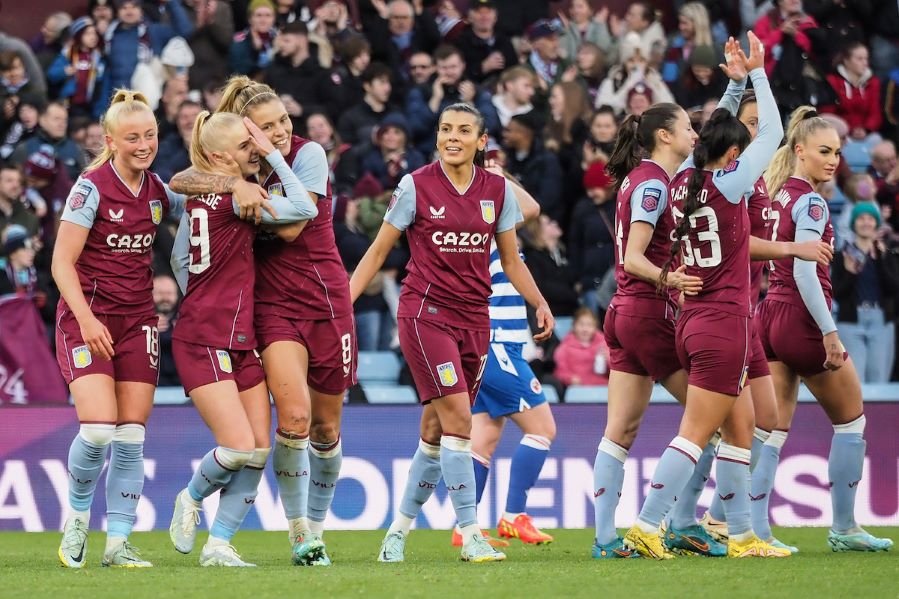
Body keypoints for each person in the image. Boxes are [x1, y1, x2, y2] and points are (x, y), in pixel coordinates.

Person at [349, 102, 553, 564]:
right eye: (445, 129)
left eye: (463, 130)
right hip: (425, 315)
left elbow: (513, 260)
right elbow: (379, 251)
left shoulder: (496, 190)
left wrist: (538, 300)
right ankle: (470, 533)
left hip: (475, 321)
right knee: (461, 423)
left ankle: (397, 531)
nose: (452, 137)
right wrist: (345, 303)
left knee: (435, 432)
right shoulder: (415, 185)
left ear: (482, 142)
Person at [169, 75, 353, 567]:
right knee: (286, 423)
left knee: (323, 429)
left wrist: (244, 174)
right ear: (242, 138)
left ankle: (235, 540)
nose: (279, 135)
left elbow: (295, 224)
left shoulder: (306, 154)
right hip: (264, 311)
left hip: (323, 301)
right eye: (266, 128)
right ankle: (300, 534)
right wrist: (237, 180)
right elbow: (186, 193)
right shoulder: (238, 185)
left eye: (283, 123)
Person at [623, 32, 789, 560]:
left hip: (694, 317)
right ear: (735, 155)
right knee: (695, 433)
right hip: (723, 320)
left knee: (740, 430)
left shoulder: (682, 183)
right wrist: (758, 74)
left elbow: (708, 138)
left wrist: (734, 84)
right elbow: (777, 133)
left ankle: (740, 536)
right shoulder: (730, 186)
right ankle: (647, 526)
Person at [51, 90, 187, 569]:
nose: (144, 144)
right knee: (99, 429)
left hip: (137, 321)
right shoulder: (90, 188)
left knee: (131, 435)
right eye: (133, 138)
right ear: (111, 141)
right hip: (88, 319)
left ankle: (119, 543)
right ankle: (76, 519)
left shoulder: (155, 190)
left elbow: (194, 201)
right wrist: (86, 319)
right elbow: (60, 263)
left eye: (150, 135)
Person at [699, 90, 834, 555]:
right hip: (725, 311)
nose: (758, 132)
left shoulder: (760, 185)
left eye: (760, 123)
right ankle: (688, 520)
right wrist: (796, 250)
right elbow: (742, 246)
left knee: (758, 421)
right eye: (750, 123)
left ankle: (726, 521)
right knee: (716, 425)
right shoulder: (732, 182)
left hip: (752, 313)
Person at [759, 104, 894, 552]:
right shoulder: (813, 201)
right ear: (800, 151)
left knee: (771, 430)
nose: (834, 160)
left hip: (770, 314)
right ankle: (844, 528)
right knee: (852, 423)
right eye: (824, 151)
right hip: (802, 317)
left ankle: (752, 529)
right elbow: (804, 272)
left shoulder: (779, 193)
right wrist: (830, 331)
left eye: (837, 152)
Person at [590, 95, 706, 558]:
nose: (694, 136)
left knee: (619, 432)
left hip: (623, 313)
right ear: (664, 135)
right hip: (648, 310)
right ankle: (674, 521)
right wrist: (669, 277)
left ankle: (604, 540)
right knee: (710, 418)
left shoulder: (643, 180)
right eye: (687, 128)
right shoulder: (654, 185)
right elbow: (634, 257)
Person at [449, 200, 555, 549]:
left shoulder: (494, 234)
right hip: (496, 347)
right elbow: (532, 207)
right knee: (542, 429)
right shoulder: (485, 232)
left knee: (483, 439)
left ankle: (465, 527)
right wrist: (496, 177)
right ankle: (514, 516)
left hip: (492, 347)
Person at [832, 203, 899, 383]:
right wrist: (850, 273)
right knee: (855, 381)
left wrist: (881, 260)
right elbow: (837, 293)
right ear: (854, 223)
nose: (866, 223)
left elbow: (893, 288)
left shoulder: (887, 255)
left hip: (881, 322)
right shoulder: (842, 255)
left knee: (879, 379)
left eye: (870, 219)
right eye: (861, 218)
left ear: (876, 224)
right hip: (851, 322)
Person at [553, 307, 610, 386]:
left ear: (595, 327)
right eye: (581, 324)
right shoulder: (564, 348)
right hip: (577, 389)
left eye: (589, 325)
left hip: (603, 387)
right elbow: (559, 371)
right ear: (574, 326)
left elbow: (616, 370)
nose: (585, 329)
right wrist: (570, 378)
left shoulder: (604, 345)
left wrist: (608, 359)